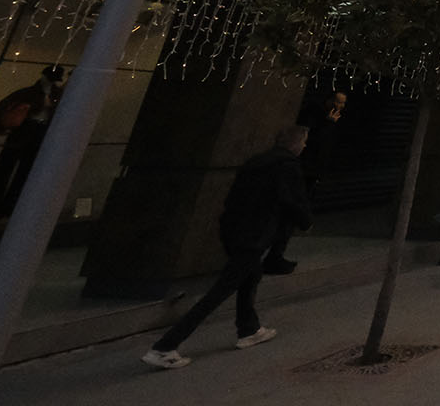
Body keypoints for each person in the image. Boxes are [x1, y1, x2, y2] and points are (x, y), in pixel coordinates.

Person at [141, 126, 310, 369]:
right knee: (221, 290)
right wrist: (305, 220)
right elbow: (289, 200)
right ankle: (165, 346)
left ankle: (249, 328)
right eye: (304, 142)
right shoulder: (287, 167)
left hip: (234, 231)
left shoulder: (255, 163)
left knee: (251, 277)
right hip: (255, 235)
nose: (304, 147)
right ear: (296, 144)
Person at [264, 89, 345, 274]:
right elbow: (310, 143)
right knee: (288, 214)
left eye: (342, 103)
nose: (340, 106)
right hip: (303, 172)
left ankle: (275, 254)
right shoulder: (314, 118)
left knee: (290, 216)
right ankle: (272, 255)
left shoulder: (329, 121)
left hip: (311, 172)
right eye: (338, 101)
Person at [0, 64, 64, 216]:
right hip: (24, 130)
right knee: (5, 168)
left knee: (24, 171)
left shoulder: (54, 94)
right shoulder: (29, 93)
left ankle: (9, 206)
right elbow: (0, 109)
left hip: (38, 131)